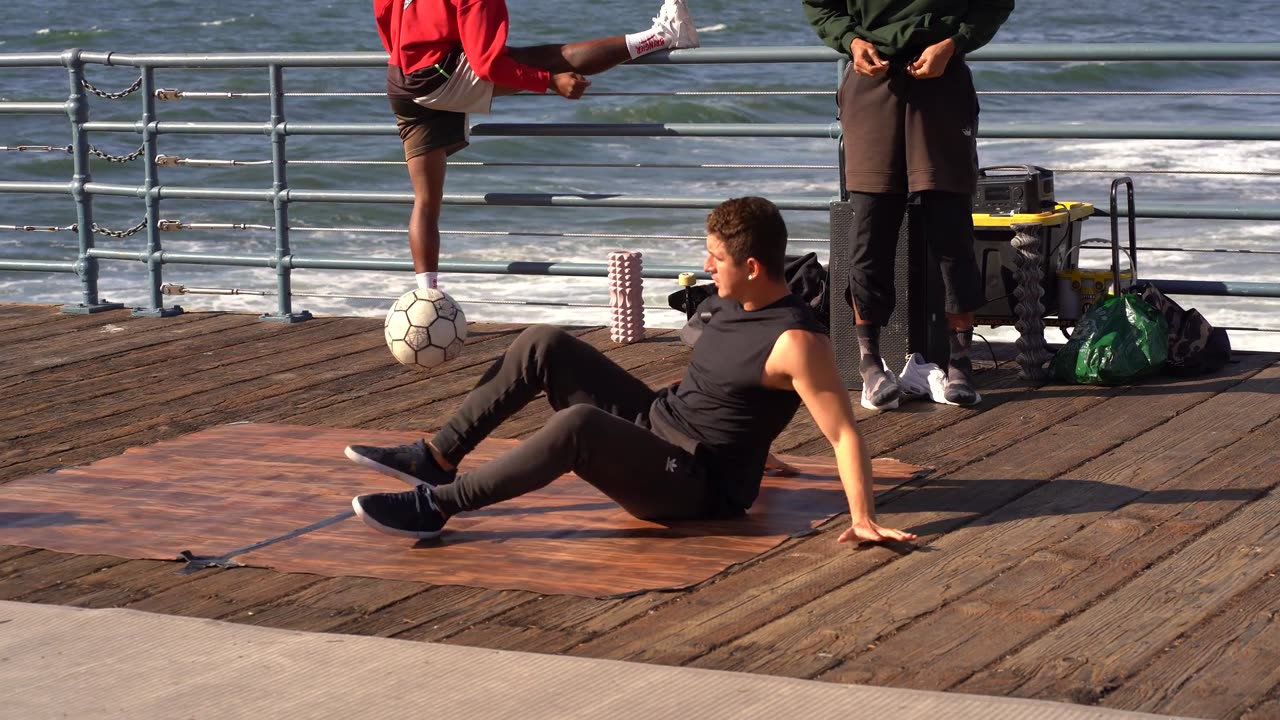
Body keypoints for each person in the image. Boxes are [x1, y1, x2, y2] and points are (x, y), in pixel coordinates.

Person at [347, 197, 917, 545]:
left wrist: (863, 517)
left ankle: (436, 508)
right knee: (544, 342)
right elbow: (731, 393)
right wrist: (759, 442)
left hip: (696, 483)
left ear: (750, 265)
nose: (704, 265)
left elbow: (844, 434)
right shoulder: (727, 302)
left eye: (714, 258)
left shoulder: (796, 341)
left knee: (582, 426)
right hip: (657, 424)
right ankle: (438, 458)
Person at [376, 0, 701, 291]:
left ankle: (428, 296)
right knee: (551, 59)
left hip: (402, 82)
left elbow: (386, 21)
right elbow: (487, 66)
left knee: (426, 202)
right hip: (437, 79)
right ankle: (664, 36)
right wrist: (548, 81)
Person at [803, 0, 1015, 409]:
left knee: (951, 227)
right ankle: (870, 364)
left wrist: (952, 44)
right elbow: (820, 6)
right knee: (869, 230)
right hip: (871, 85)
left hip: (942, 83)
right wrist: (852, 40)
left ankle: (960, 362)